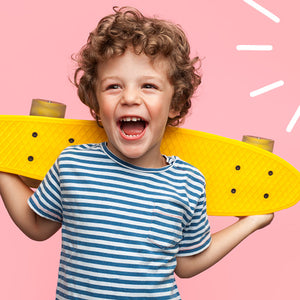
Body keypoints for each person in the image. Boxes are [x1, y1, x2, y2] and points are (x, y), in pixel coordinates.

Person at [0, 6, 273, 300]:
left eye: (149, 86)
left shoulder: (189, 182)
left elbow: (186, 263)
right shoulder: (73, 163)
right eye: (114, 86)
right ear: (95, 102)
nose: (130, 97)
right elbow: (37, 225)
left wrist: (251, 222)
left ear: (176, 104)